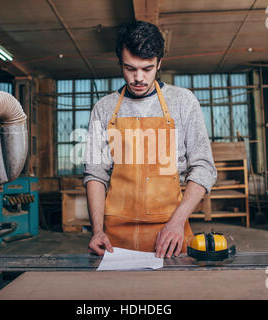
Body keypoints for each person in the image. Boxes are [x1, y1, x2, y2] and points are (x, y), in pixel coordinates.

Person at [83, 21, 216, 258]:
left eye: (147, 68)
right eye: (130, 69)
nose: (138, 78)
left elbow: (204, 168)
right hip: (115, 239)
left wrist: (177, 222)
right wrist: (97, 230)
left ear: (159, 63)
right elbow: (95, 173)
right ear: (119, 63)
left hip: (171, 234)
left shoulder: (183, 102)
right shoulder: (104, 109)